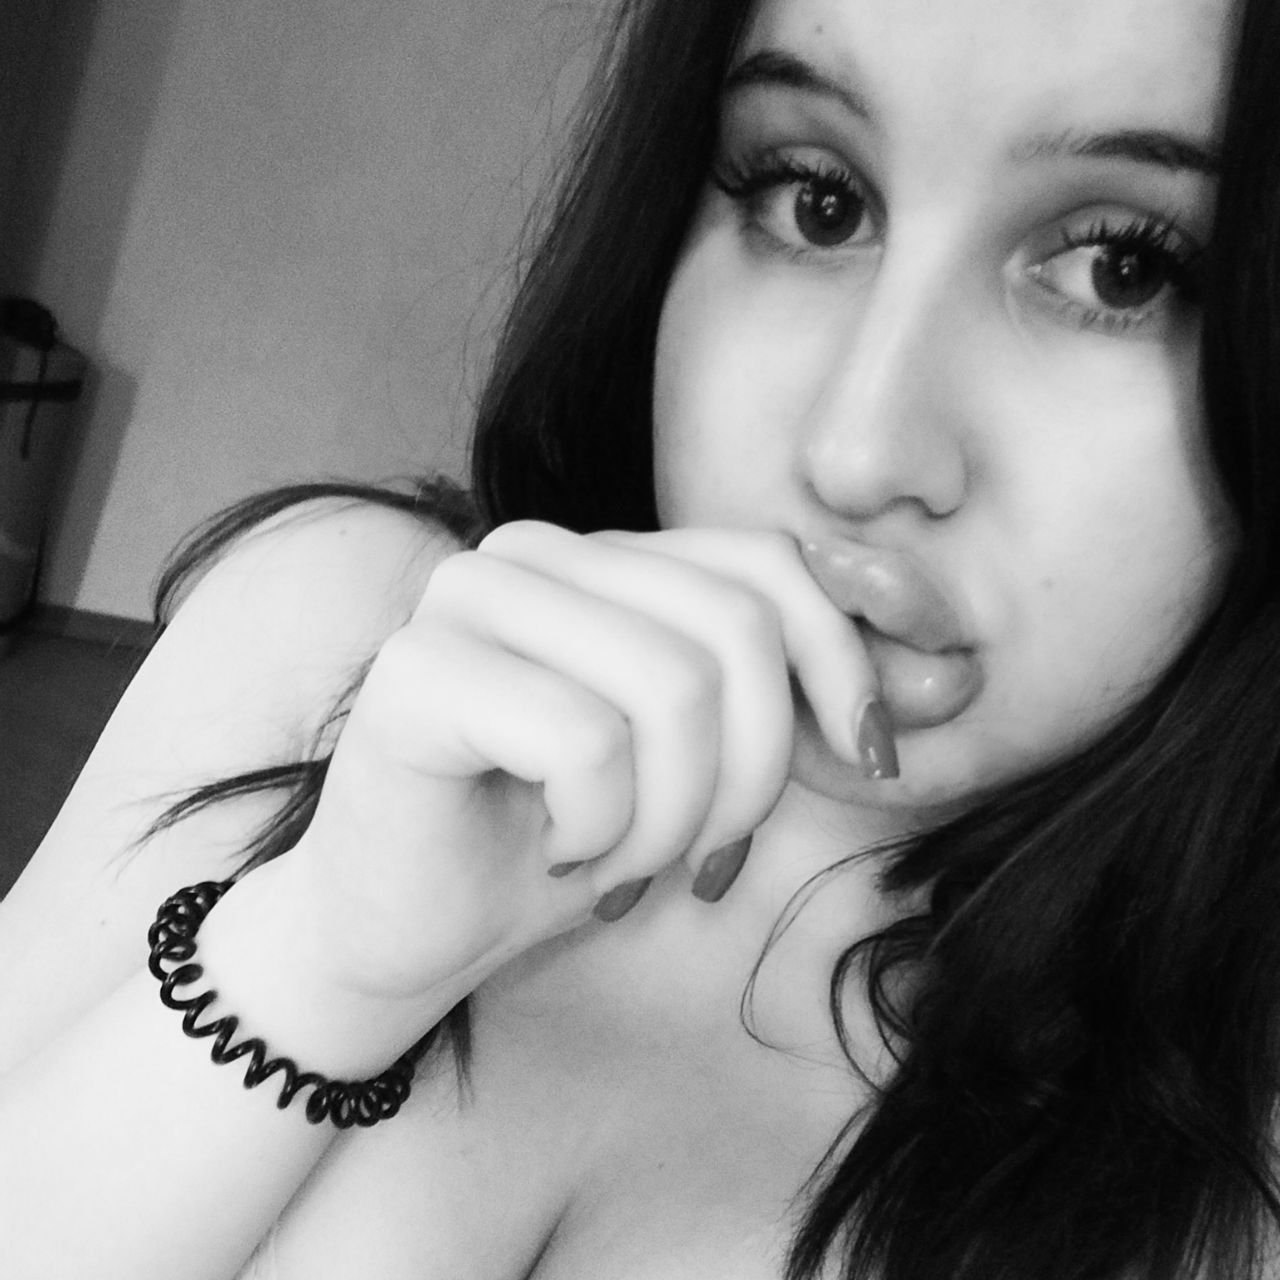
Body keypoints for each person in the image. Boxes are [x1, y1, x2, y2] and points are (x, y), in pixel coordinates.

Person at [1, 0, 1276, 1274]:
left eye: (1123, 266)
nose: (857, 449)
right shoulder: (343, 628)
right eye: (816, 201)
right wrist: (318, 956)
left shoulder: (1234, 1182)